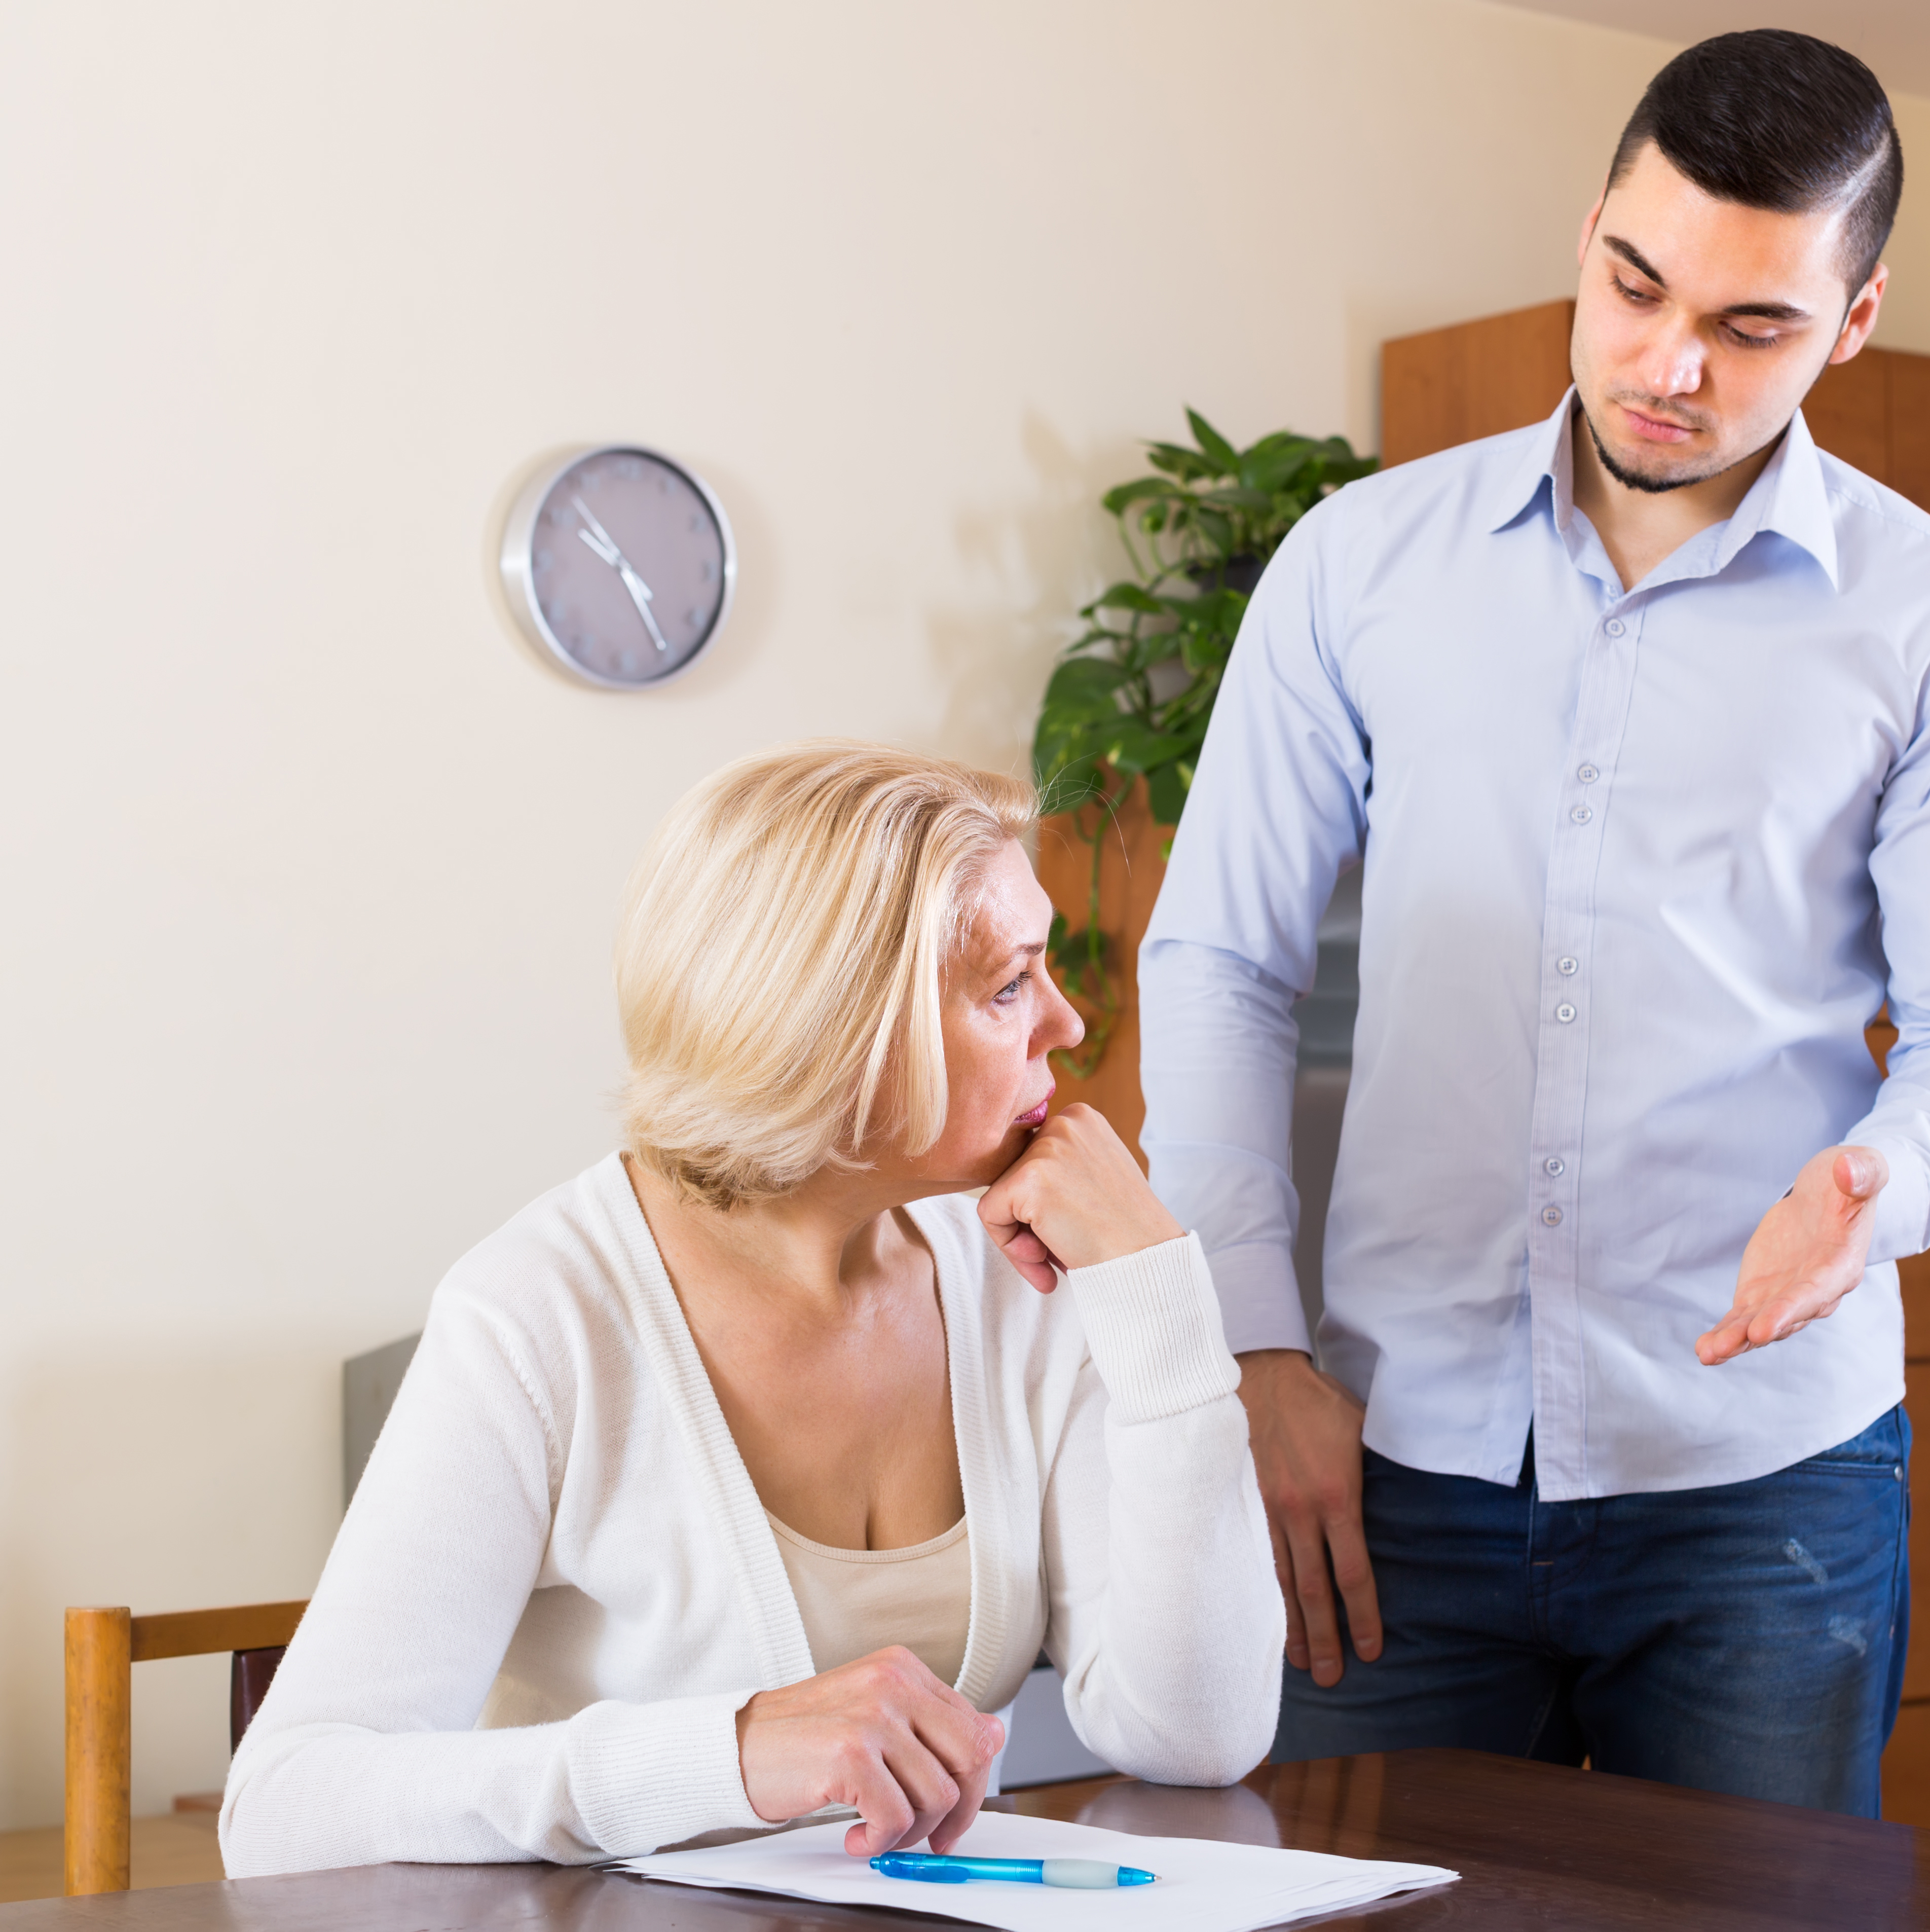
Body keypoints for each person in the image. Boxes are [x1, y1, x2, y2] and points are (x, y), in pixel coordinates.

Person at [1137, 29, 1930, 1816]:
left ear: (1853, 319)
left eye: (1752, 327)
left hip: (1763, 1476)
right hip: (1387, 1460)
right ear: (1588, 233)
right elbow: (1220, 962)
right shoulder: (1358, 563)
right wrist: (1252, 1348)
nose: (1665, 366)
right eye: (1635, 285)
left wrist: (1889, 1177)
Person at [221, 741, 1281, 1876]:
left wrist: (1155, 1291)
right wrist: (729, 1754)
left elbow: (1197, 1734)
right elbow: (285, 1805)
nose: (1065, 1026)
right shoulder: (536, 1315)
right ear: (842, 1036)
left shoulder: (1024, 1278)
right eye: (1009, 984)